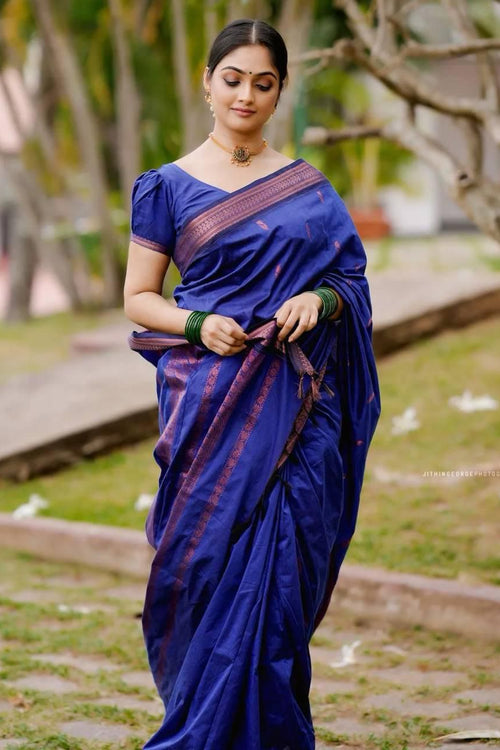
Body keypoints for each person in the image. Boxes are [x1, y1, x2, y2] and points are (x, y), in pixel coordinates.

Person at [124, 17, 380, 750]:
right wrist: (198, 323)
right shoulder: (166, 187)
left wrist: (322, 301)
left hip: (302, 409)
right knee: (207, 570)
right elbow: (139, 299)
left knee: (281, 586)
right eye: (232, 78)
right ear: (208, 83)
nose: (246, 94)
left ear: (279, 92)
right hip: (215, 404)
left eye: (263, 83)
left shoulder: (306, 185)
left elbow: (349, 277)